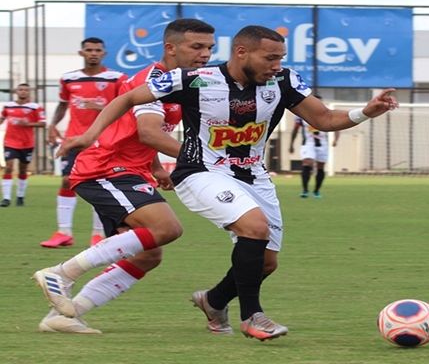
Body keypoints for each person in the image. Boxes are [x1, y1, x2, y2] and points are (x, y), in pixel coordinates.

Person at [35, 25, 398, 341]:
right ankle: (253, 317)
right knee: (224, 229)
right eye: (270, 57)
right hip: (194, 172)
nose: (277, 64)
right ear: (243, 52)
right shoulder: (192, 79)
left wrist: (364, 112)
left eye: (280, 57)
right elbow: (132, 103)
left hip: (251, 176)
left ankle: (214, 301)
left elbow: (323, 117)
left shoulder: (282, 80)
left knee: (263, 263)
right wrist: (89, 135)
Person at [33, 18, 216, 334]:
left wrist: (156, 167)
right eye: (196, 46)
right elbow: (148, 132)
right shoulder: (154, 79)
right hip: (105, 168)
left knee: (149, 255)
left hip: (129, 170)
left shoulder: (186, 80)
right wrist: (212, 161)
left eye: (210, 48)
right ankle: (61, 273)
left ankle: (65, 316)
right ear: (170, 47)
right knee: (167, 228)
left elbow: (146, 132)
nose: (205, 54)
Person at [40, 37, 129, 248]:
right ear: (81, 53)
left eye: (97, 50)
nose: (93, 53)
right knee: (66, 181)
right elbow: (62, 106)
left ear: (104, 54)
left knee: (100, 185)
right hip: (75, 140)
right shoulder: (68, 79)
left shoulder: (117, 78)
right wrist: (52, 125)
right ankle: (63, 232)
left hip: (105, 140)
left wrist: (101, 109)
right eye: (89, 50)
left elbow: (127, 107)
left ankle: (97, 234)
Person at [0, 83, 46, 207]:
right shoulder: (8, 106)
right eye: (21, 90)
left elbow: (42, 123)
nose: (23, 92)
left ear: (29, 92)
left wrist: (28, 124)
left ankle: (20, 196)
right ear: (16, 91)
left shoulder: (35, 107)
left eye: (26, 90)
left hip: (27, 143)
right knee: (9, 167)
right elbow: (2, 118)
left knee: (22, 169)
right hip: (10, 141)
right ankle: (6, 198)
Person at [289, 95, 340, 198]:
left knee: (320, 167)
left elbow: (336, 126)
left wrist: (335, 139)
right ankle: (305, 190)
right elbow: (295, 130)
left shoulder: (326, 114)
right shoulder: (301, 115)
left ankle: (316, 190)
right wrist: (291, 144)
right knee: (307, 163)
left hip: (322, 144)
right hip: (308, 143)